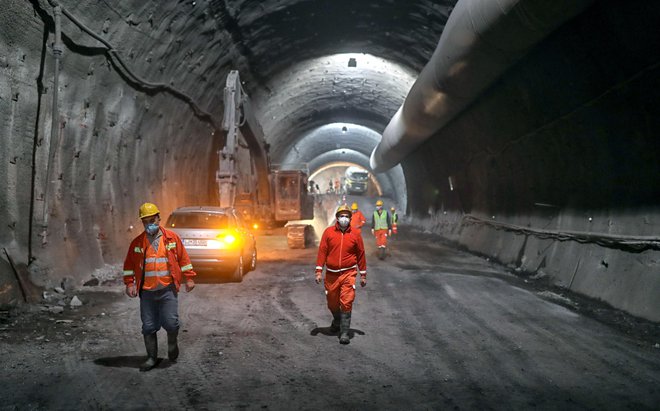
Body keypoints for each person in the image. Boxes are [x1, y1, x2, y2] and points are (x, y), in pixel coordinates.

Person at [123, 202, 196, 371]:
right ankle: (151, 358)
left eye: (152, 220)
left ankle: (172, 343)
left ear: (158, 218)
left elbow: (183, 259)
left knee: (171, 323)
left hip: (167, 289)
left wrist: (189, 278)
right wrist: (130, 283)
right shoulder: (137, 243)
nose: (150, 224)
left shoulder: (172, 238)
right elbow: (128, 265)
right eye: (146, 221)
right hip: (147, 292)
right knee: (148, 326)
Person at [315, 205, 367, 344]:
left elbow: (361, 254)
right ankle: (337, 320)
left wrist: (363, 274)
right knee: (332, 303)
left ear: (350, 218)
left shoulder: (355, 234)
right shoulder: (328, 233)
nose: (344, 218)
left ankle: (344, 332)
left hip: (348, 273)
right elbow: (322, 252)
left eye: (346, 216)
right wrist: (319, 271)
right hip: (331, 275)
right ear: (337, 218)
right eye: (341, 215)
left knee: (346, 301)